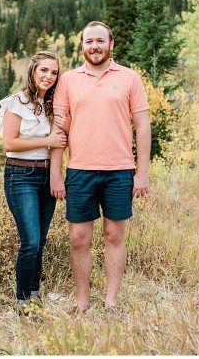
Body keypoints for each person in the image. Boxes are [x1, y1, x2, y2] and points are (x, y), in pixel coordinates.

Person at [50, 21, 151, 312]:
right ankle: (82, 303)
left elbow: (142, 127)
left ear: (111, 44)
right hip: (79, 171)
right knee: (79, 238)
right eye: (88, 41)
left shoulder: (130, 78)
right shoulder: (68, 80)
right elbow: (60, 130)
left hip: (119, 171)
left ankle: (110, 301)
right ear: (82, 45)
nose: (94, 46)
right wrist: (56, 173)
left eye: (100, 41)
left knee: (114, 236)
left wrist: (142, 172)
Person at [0, 51, 67, 312]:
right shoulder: (17, 102)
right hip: (20, 176)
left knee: (42, 241)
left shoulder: (52, 105)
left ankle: (34, 295)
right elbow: (9, 143)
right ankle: (22, 302)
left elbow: (64, 136)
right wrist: (47, 141)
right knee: (31, 241)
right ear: (33, 71)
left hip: (46, 176)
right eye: (44, 70)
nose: (49, 76)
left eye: (54, 72)